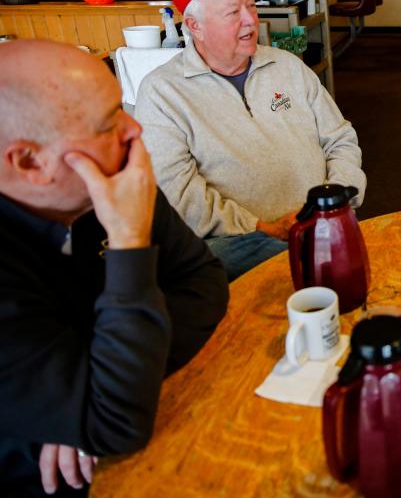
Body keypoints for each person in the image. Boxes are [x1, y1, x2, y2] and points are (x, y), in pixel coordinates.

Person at [0, 41, 229, 496]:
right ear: (30, 162)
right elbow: (116, 421)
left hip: (132, 426)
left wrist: (97, 387)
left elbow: (204, 282)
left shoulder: (111, 176)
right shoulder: (116, 193)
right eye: (109, 123)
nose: (135, 128)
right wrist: (128, 241)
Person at [136, 0, 366, 281]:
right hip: (241, 240)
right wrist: (262, 228)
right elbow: (181, 198)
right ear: (194, 26)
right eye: (233, 12)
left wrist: (338, 201)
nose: (250, 20)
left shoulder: (287, 66)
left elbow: (341, 139)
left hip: (324, 221)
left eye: (251, 6)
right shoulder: (162, 93)